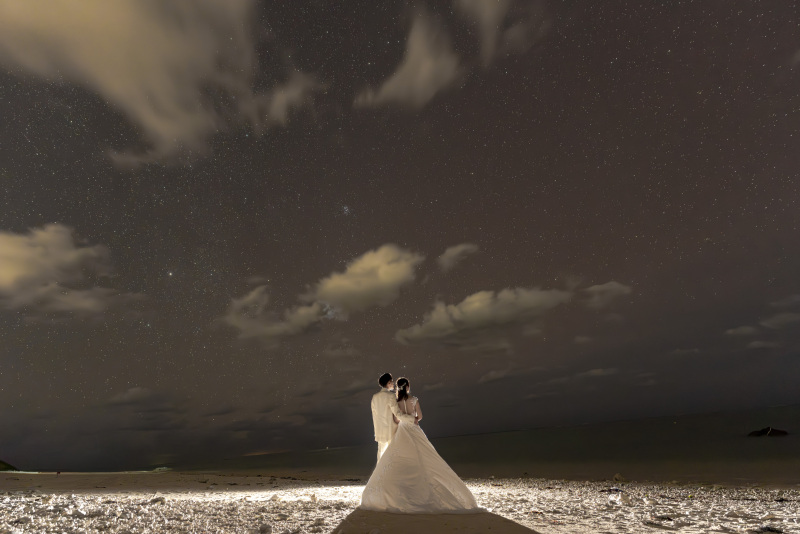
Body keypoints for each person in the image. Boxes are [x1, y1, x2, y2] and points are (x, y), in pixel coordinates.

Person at [360, 377, 481, 514]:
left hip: (393, 431)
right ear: (407, 387)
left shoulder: (385, 399)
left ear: (398, 388)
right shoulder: (412, 399)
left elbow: (394, 418)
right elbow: (419, 416)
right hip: (412, 427)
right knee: (424, 455)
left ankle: (388, 489)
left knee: (393, 459)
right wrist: (413, 419)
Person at [371, 372, 397, 462]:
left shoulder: (375, 397)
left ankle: (379, 475)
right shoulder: (391, 396)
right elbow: (397, 414)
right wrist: (410, 419)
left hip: (380, 432)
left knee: (380, 456)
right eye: (392, 381)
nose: (393, 383)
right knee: (392, 456)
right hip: (391, 431)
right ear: (389, 383)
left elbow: (374, 417)